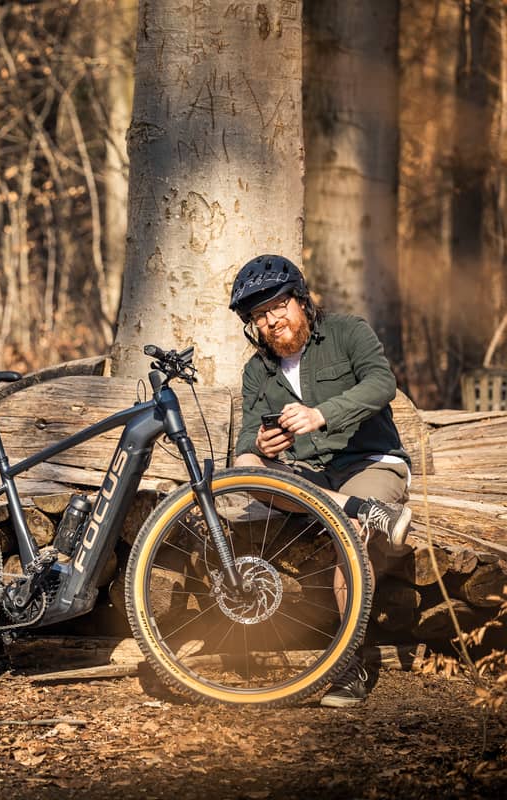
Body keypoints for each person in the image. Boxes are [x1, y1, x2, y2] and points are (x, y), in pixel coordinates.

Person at [229, 254, 411, 709]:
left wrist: (320, 414)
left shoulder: (349, 331)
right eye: (259, 315)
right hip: (313, 478)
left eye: (278, 307)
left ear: (301, 301)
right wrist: (263, 446)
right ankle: (358, 510)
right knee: (244, 468)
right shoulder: (258, 370)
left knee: (346, 537)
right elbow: (247, 440)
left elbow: (381, 384)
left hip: (371, 464)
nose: (271, 322)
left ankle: (351, 667)